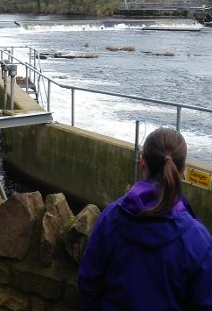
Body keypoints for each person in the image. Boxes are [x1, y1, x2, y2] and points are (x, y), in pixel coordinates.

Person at [77, 127, 212, 310]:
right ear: (182, 170)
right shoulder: (198, 241)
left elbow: (89, 283)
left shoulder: (110, 218)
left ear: (142, 163)